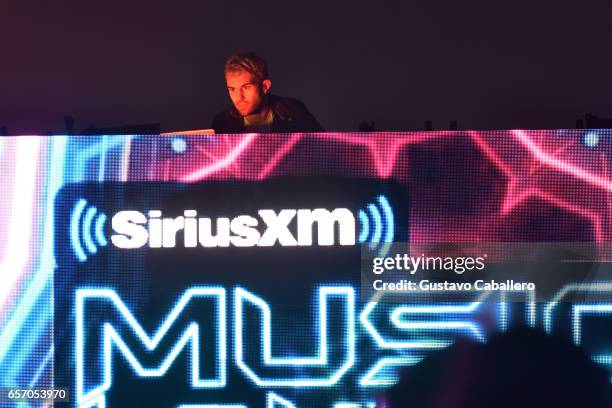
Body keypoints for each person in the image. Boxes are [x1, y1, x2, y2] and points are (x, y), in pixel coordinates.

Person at [211, 52, 324, 133]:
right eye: (232, 89)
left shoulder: (293, 112)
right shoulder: (223, 123)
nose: (238, 97)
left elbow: (324, 151)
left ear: (265, 86)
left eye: (246, 87)